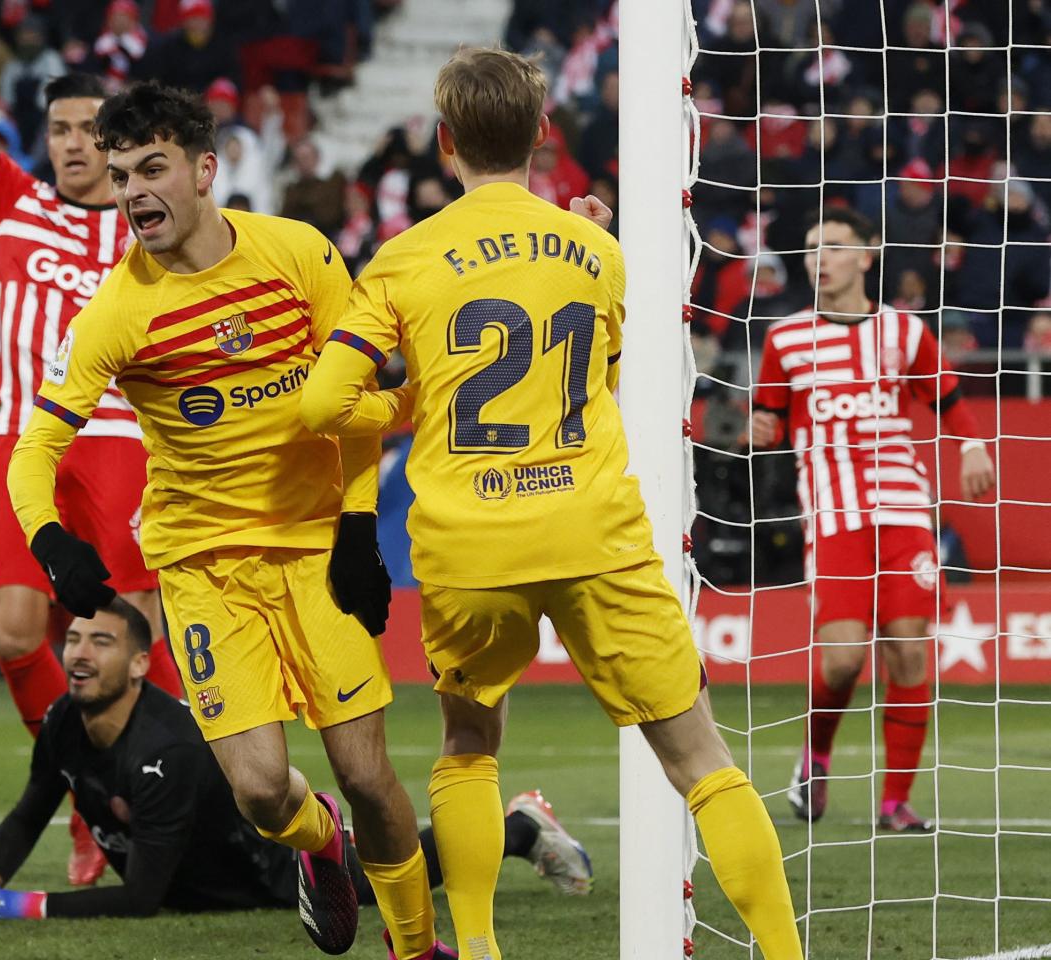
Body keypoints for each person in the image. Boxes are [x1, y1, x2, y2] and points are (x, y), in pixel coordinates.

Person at [299, 48, 803, 960]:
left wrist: (414, 403)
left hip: (468, 540)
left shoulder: (403, 259)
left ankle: (482, 947)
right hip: (593, 531)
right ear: (541, 132)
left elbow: (320, 404)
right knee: (700, 761)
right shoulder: (597, 249)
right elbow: (601, 376)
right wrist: (582, 240)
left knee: (468, 744)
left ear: (444, 141)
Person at [6, 81, 442, 960]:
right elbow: (34, 449)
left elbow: (355, 402)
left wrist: (360, 526)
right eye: (122, 174)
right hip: (204, 566)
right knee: (259, 791)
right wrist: (50, 542)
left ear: (206, 171)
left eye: (152, 169)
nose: (133, 192)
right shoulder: (115, 313)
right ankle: (319, 844)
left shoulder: (297, 254)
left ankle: (416, 947)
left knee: (365, 772)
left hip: (319, 548)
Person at [0, 0, 184, 888]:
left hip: (117, 444)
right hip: (20, 444)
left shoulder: (150, 230)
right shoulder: (13, 203)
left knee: (137, 636)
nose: (70, 144)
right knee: (15, 633)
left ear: (115, 142)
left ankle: (172, 800)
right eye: (58, 129)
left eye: (89, 131)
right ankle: (87, 796)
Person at [0, 600, 593, 922]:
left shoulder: (166, 753)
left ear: (138, 664)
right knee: (394, 858)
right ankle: (520, 826)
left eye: (99, 642)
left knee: (396, 869)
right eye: (73, 640)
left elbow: (140, 900)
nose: (78, 655)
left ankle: (521, 827)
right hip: (205, 881)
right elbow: (32, 808)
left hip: (274, 871)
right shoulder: (65, 721)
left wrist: (12, 908)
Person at [751, 207, 995, 832]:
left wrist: (970, 447)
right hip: (833, 515)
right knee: (841, 660)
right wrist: (759, 429)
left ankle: (895, 802)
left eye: (832, 246)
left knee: (909, 650)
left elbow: (949, 401)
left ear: (867, 255)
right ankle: (817, 756)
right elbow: (771, 419)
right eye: (811, 248)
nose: (819, 259)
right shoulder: (784, 339)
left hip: (904, 508)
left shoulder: (906, 333)